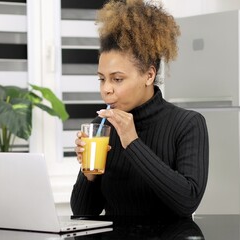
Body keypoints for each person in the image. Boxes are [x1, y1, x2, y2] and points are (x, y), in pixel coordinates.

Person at [70, 0, 209, 217]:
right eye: (101, 79)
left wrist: (132, 142)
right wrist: (88, 172)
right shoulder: (102, 128)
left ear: (149, 75)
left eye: (117, 79)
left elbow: (187, 201)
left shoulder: (187, 124)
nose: (106, 89)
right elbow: (83, 212)